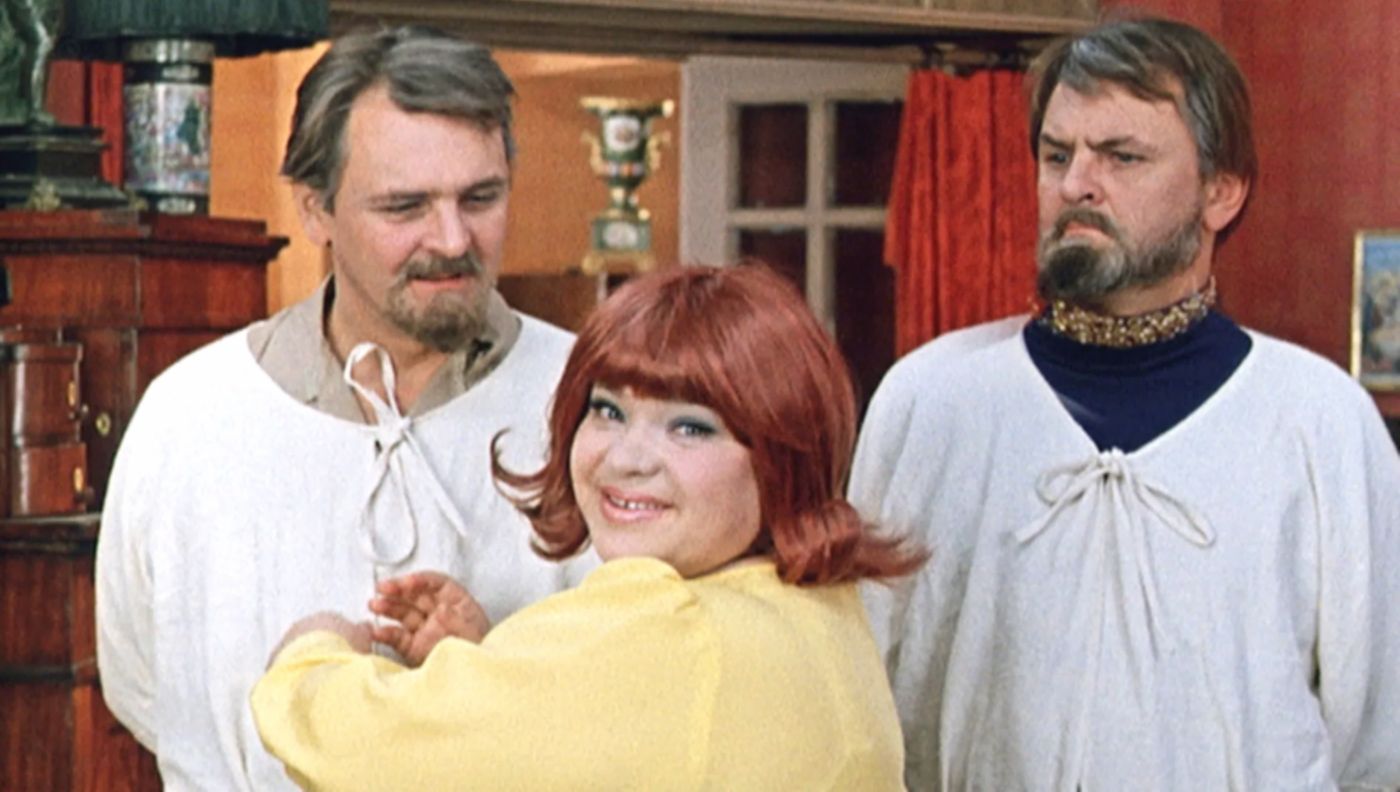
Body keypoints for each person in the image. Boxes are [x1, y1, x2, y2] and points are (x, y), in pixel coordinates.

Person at [850, 16, 1400, 791]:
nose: (1076, 184)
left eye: (1122, 156)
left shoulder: (1319, 422)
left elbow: (1378, 742)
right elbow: (863, 705)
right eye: (1057, 155)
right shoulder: (930, 403)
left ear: (1221, 191)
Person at [95, 26, 592, 790]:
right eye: (405, 206)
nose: (452, 239)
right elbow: (141, 684)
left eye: (480, 198)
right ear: (314, 210)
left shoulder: (595, 406)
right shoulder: (191, 417)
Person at [250, 264, 924, 791]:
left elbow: (360, 752)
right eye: (607, 410)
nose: (626, 458)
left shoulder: (667, 626)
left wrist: (312, 656)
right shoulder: (812, 609)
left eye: (691, 427)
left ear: (783, 455)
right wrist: (490, 664)